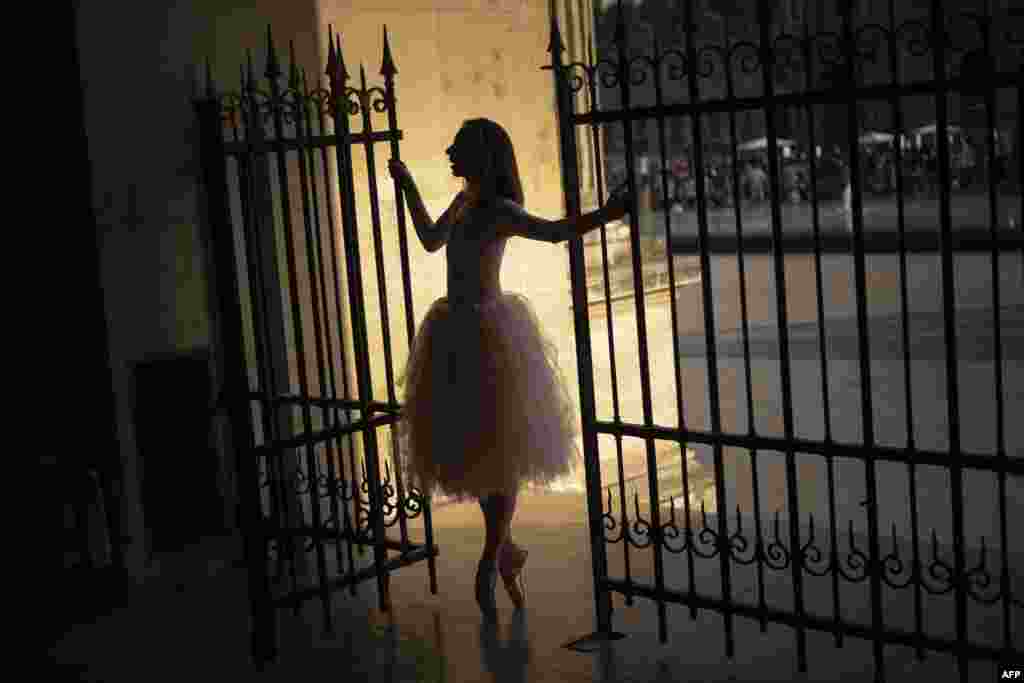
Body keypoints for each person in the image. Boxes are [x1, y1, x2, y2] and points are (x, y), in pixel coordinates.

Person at [388, 118, 631, 620]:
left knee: (500, 446)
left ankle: (490, 559)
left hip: (487, 334)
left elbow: (554, 232)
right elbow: (431, 241)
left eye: (460, 146)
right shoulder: (464, 203)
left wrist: (607, 214)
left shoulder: (499, 209)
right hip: (456, 331)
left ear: (482, 155)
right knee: (480, 446)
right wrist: (409, 185)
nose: (450, 151)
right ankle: (505, 552)